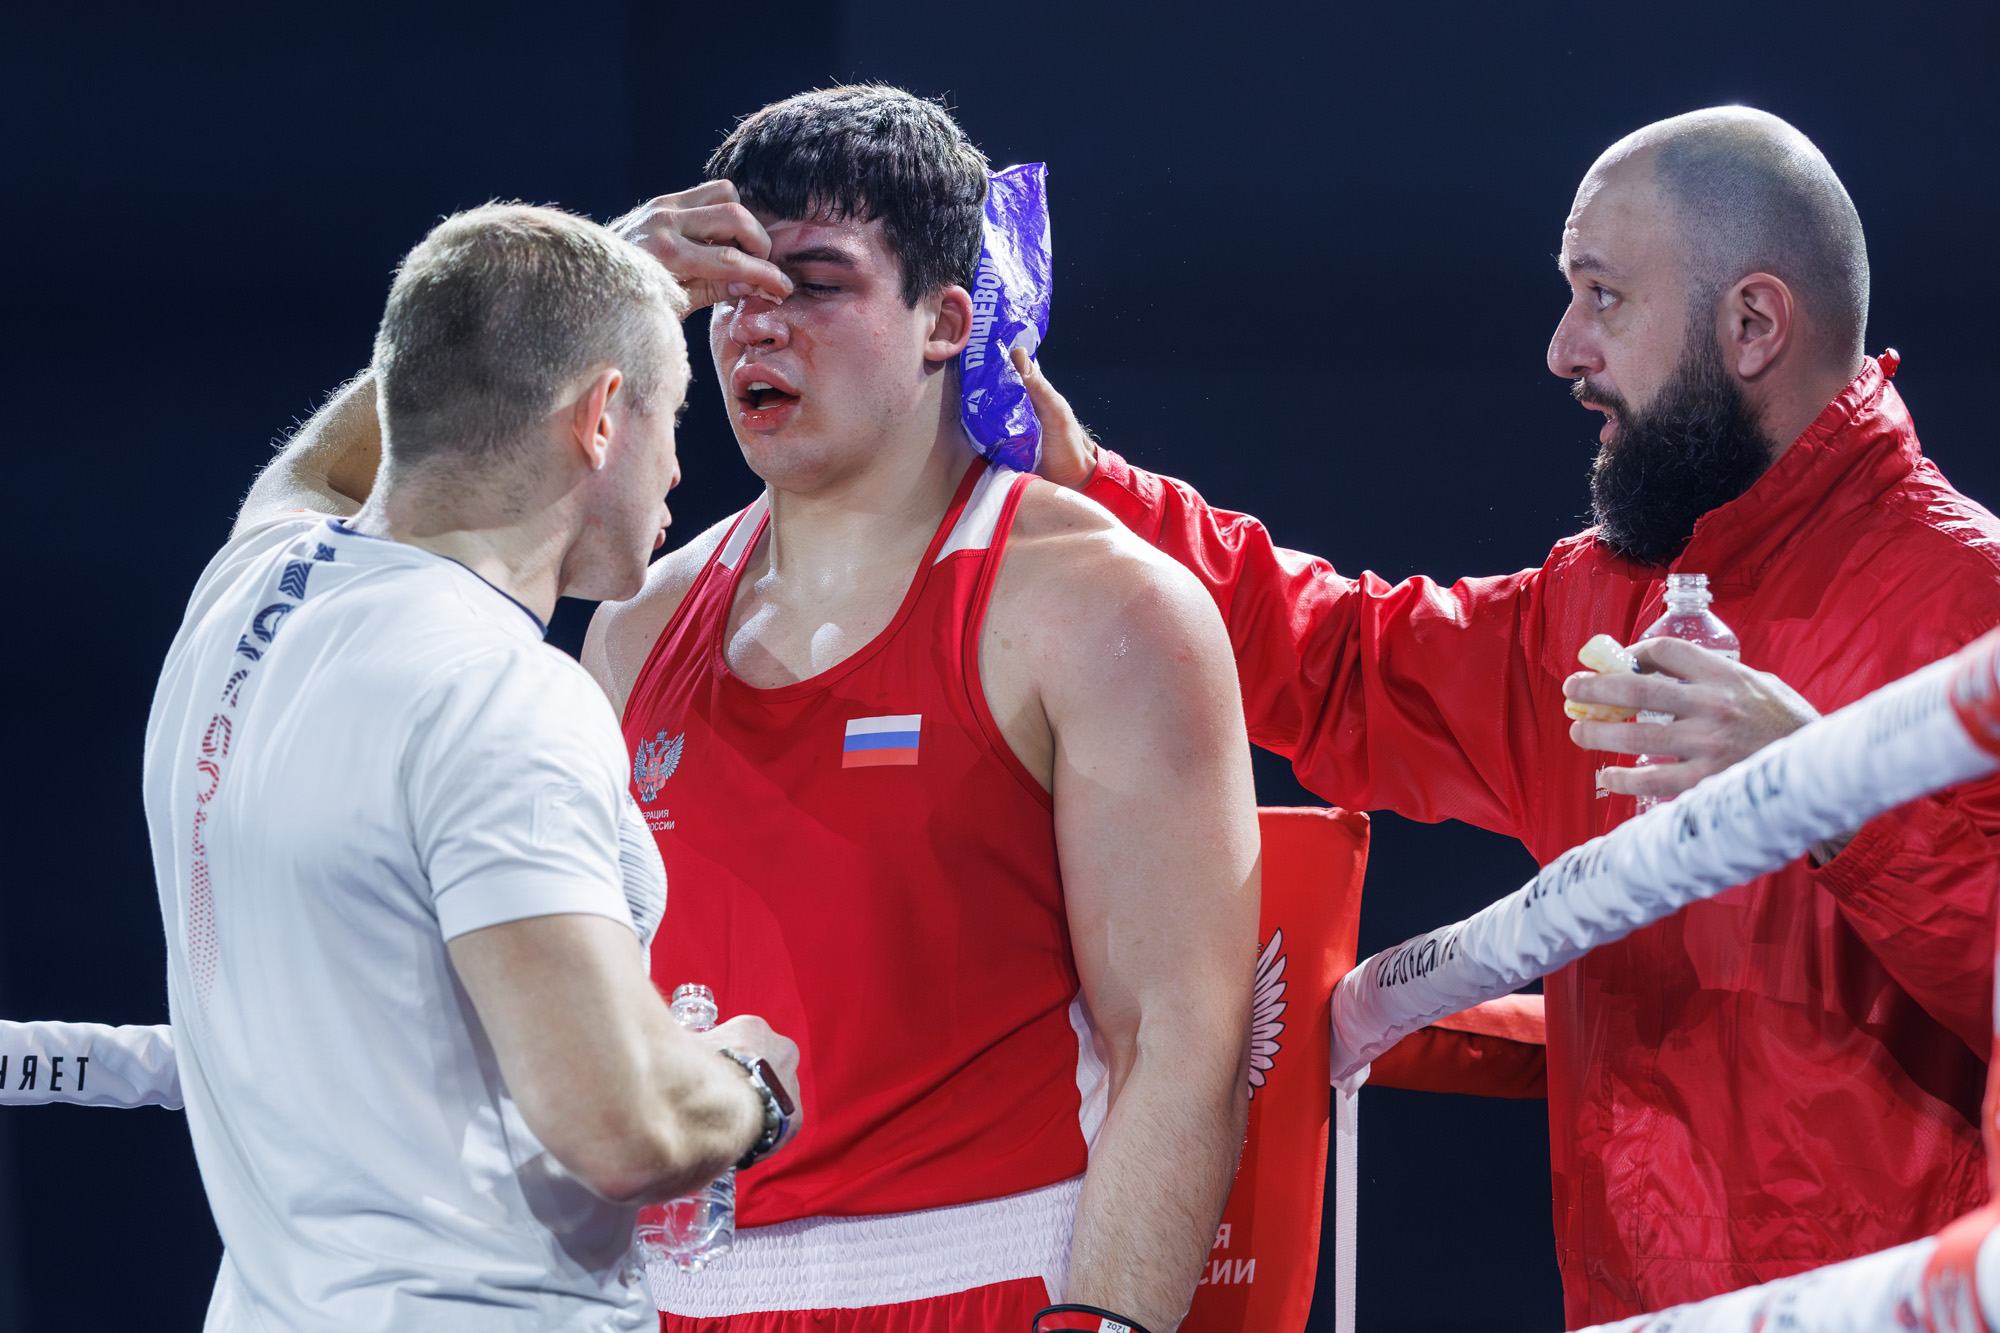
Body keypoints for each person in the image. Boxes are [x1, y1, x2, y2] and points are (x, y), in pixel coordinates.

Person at [1022, 106, 2000, 1325]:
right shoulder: (1602, 599)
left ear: (1752, 324)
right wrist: (1093, 487)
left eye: (1602, 297)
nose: (1559, 349)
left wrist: (1822, 791)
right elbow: (1346, 663)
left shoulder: (1970, 610)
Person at [587, 86, 1261, 1332]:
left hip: (981, 1294)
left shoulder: (1099, 605)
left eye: (814, 283)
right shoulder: (634, 627)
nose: (756, 326)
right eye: (728, 292)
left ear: (945, 320)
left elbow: (1181, 1046)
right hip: (659, 1301)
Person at [147, 203, 802, 1331]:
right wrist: (749, 1082)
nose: (678, 467)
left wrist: (584, 280)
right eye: (673, 415)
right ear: (602, 416)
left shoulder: (247, 592)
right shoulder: (503, 695)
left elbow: (324, 463)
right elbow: (624, 1125)